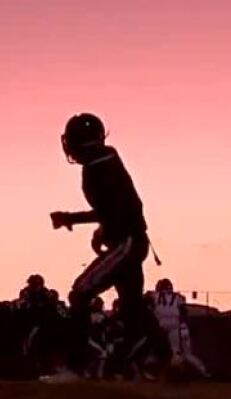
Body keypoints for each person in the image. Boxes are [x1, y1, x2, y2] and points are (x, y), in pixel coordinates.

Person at [43, 113, 154, 384]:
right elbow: (121, 207)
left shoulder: (98, 167)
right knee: (132, 307)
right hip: (130, 241)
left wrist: (72, 218)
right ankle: (157, 359)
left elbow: (118, 210)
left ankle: (77, 367)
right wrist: (101, 228)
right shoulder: (106, 161)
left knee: (81, 293)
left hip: (126, 243)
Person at [150, 278, 210, 378]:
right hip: (177, 326)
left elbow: (149, 305)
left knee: (156, 351)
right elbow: (183, 311)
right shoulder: (178, 297)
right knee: (180, 353)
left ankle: (164, 372)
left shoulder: (154, 296)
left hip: (160, 326)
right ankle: (203, 372)